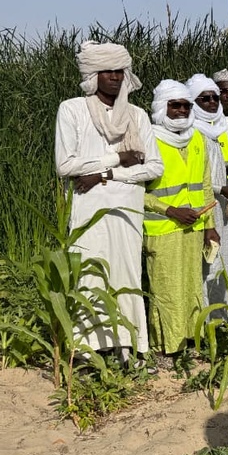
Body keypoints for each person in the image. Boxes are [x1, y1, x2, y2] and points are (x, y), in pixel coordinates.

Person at [55, 41, 162, 365]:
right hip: (87, 211)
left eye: (119, 71)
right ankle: (88, 353)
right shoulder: (72, 109)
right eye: (108, 71)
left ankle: (129, 348)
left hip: (126, 210)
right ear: (93, 75)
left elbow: (153, 167)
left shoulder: (137, 116)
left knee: (126, 275)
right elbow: (66, 166)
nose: (115, 77)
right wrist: (119, 156)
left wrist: (106, 174)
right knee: (89, 275)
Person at [144, 80, 219, 357]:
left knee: (190, 288)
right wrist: (170, 211)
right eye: (175, 105)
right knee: (166, 290)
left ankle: (189, 341)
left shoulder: (196, 137)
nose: (181, 110)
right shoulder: (148, 139)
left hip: (194, 227)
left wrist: (210, 226)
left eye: (186, 106)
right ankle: (165, 347)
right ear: (162, 107)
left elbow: (205, 183)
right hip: (162, 228)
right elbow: (134, 192)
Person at [185, 73, 228, 314]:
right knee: (205, 265)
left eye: (215, 97)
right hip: (203, 208)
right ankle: (205, 320)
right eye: (205, 99)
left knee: (218, 262)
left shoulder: (214, 130)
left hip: (219, 205)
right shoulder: (193, 133)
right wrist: (222, 188)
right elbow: (199, 179)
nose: (213, 102)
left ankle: (218, 316)